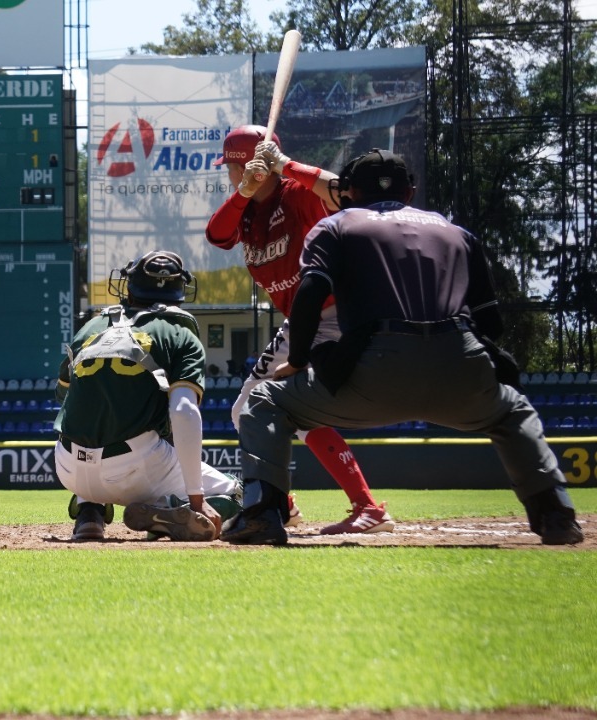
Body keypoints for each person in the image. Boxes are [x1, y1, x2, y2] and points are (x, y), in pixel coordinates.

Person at [222, 149, 584, 546]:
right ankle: (556, 517)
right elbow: (491, 323)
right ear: (410, 191)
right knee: (513, 411)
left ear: (348, 192)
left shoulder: (336, 225)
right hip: (459, 366)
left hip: (372, 371)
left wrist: (297, 359)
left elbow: (309, 295)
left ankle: (263, 515)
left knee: (263, 401)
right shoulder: (455, 232)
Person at [207, 124, 393, 535]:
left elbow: (342, 192)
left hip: (339, 312)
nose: (230, 175)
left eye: (231, 167)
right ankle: (285, 505)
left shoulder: (296, 194)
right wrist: (245, 191)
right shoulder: (245, 208)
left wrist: (285, 165)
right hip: (304, 321)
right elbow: (216, 236)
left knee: (276, 407)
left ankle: (359, 507)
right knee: (248, 408)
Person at [53, 250, 249, 543]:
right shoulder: (180, 333)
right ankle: (166, 512)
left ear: (129, 287)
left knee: (102, 418)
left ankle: (89, 512)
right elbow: (183, 411)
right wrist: (196, 499)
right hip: (136, 470)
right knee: (240, 494)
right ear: (180, 289)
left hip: (68, 467)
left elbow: (64, 397)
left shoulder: (91, 327)